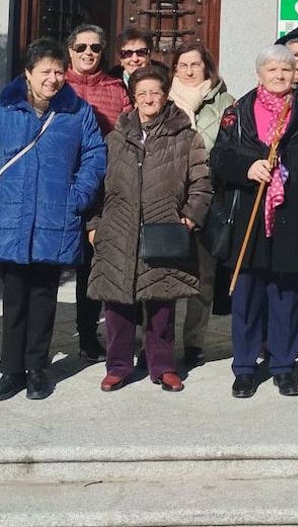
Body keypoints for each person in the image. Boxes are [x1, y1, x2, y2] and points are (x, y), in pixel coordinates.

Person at [0, 38, 106, 402]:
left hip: (55, 215)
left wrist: (78, 196)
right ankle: (11, 370)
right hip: (9, 215)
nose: (53, 79)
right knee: (14, 296)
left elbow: (95, 156)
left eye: (59, 71)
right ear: (28, 73)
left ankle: (38, 368)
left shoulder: (78, 112)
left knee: (44, 296)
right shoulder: (3, 108)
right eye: (45, 71)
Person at [210, 45, 298, 399]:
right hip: (248, 216)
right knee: (247, 295)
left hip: (293, 217)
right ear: (259, 74)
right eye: (272, 69)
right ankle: (246, 367)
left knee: (286, 297)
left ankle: (283, 366)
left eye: (286, 69)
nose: (280, 75)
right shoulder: (237, 113)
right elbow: (219, 159)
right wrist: (247, 167)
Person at [87, 66, 212, 393]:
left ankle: (163, 365)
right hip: (118, 229)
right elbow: (96, 186)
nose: (148, 99)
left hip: (164, 227)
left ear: (165, 93)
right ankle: (118, 365)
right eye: (141, 93)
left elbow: (201, 183)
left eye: (154, 92)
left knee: (161, 303)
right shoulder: (115, 137)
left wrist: (189, 217)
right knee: (117, 303)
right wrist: (94, 225)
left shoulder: (185, 136)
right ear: (133, 97)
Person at [63, 23, 131, 363]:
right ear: (70, 50)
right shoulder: (56, 83)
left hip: (101, 187)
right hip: (59, 187)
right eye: (81, 47)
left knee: (91, 267)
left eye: (95, 48)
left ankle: (89, 334)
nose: (88, 53)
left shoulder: (116, 89)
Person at [168, 41, 236, 367]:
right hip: (167, 201)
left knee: (203, 279)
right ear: (175, 70)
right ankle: (155, 339)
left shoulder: (226, 103)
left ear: (207, 67)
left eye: (196, 64)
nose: (190, 71)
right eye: (183, 65)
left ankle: (194, 342)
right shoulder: (164, 102)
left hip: (209, 200)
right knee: (162, 273)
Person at [107, 27, 154, 91]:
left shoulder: (165, 78)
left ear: (149, 55)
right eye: (127, 53)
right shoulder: (110, 81)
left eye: (141, 52)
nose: (135, 59)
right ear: (120, 58)